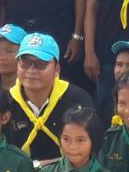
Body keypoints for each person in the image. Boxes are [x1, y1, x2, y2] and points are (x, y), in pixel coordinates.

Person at [5, 32, 94, 164]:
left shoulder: (77, 101)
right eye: (25, 63)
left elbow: (91, 152)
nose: (31, 70)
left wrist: (42, 167)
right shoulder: (6, 101)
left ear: (57, 69)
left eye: (40, 64)